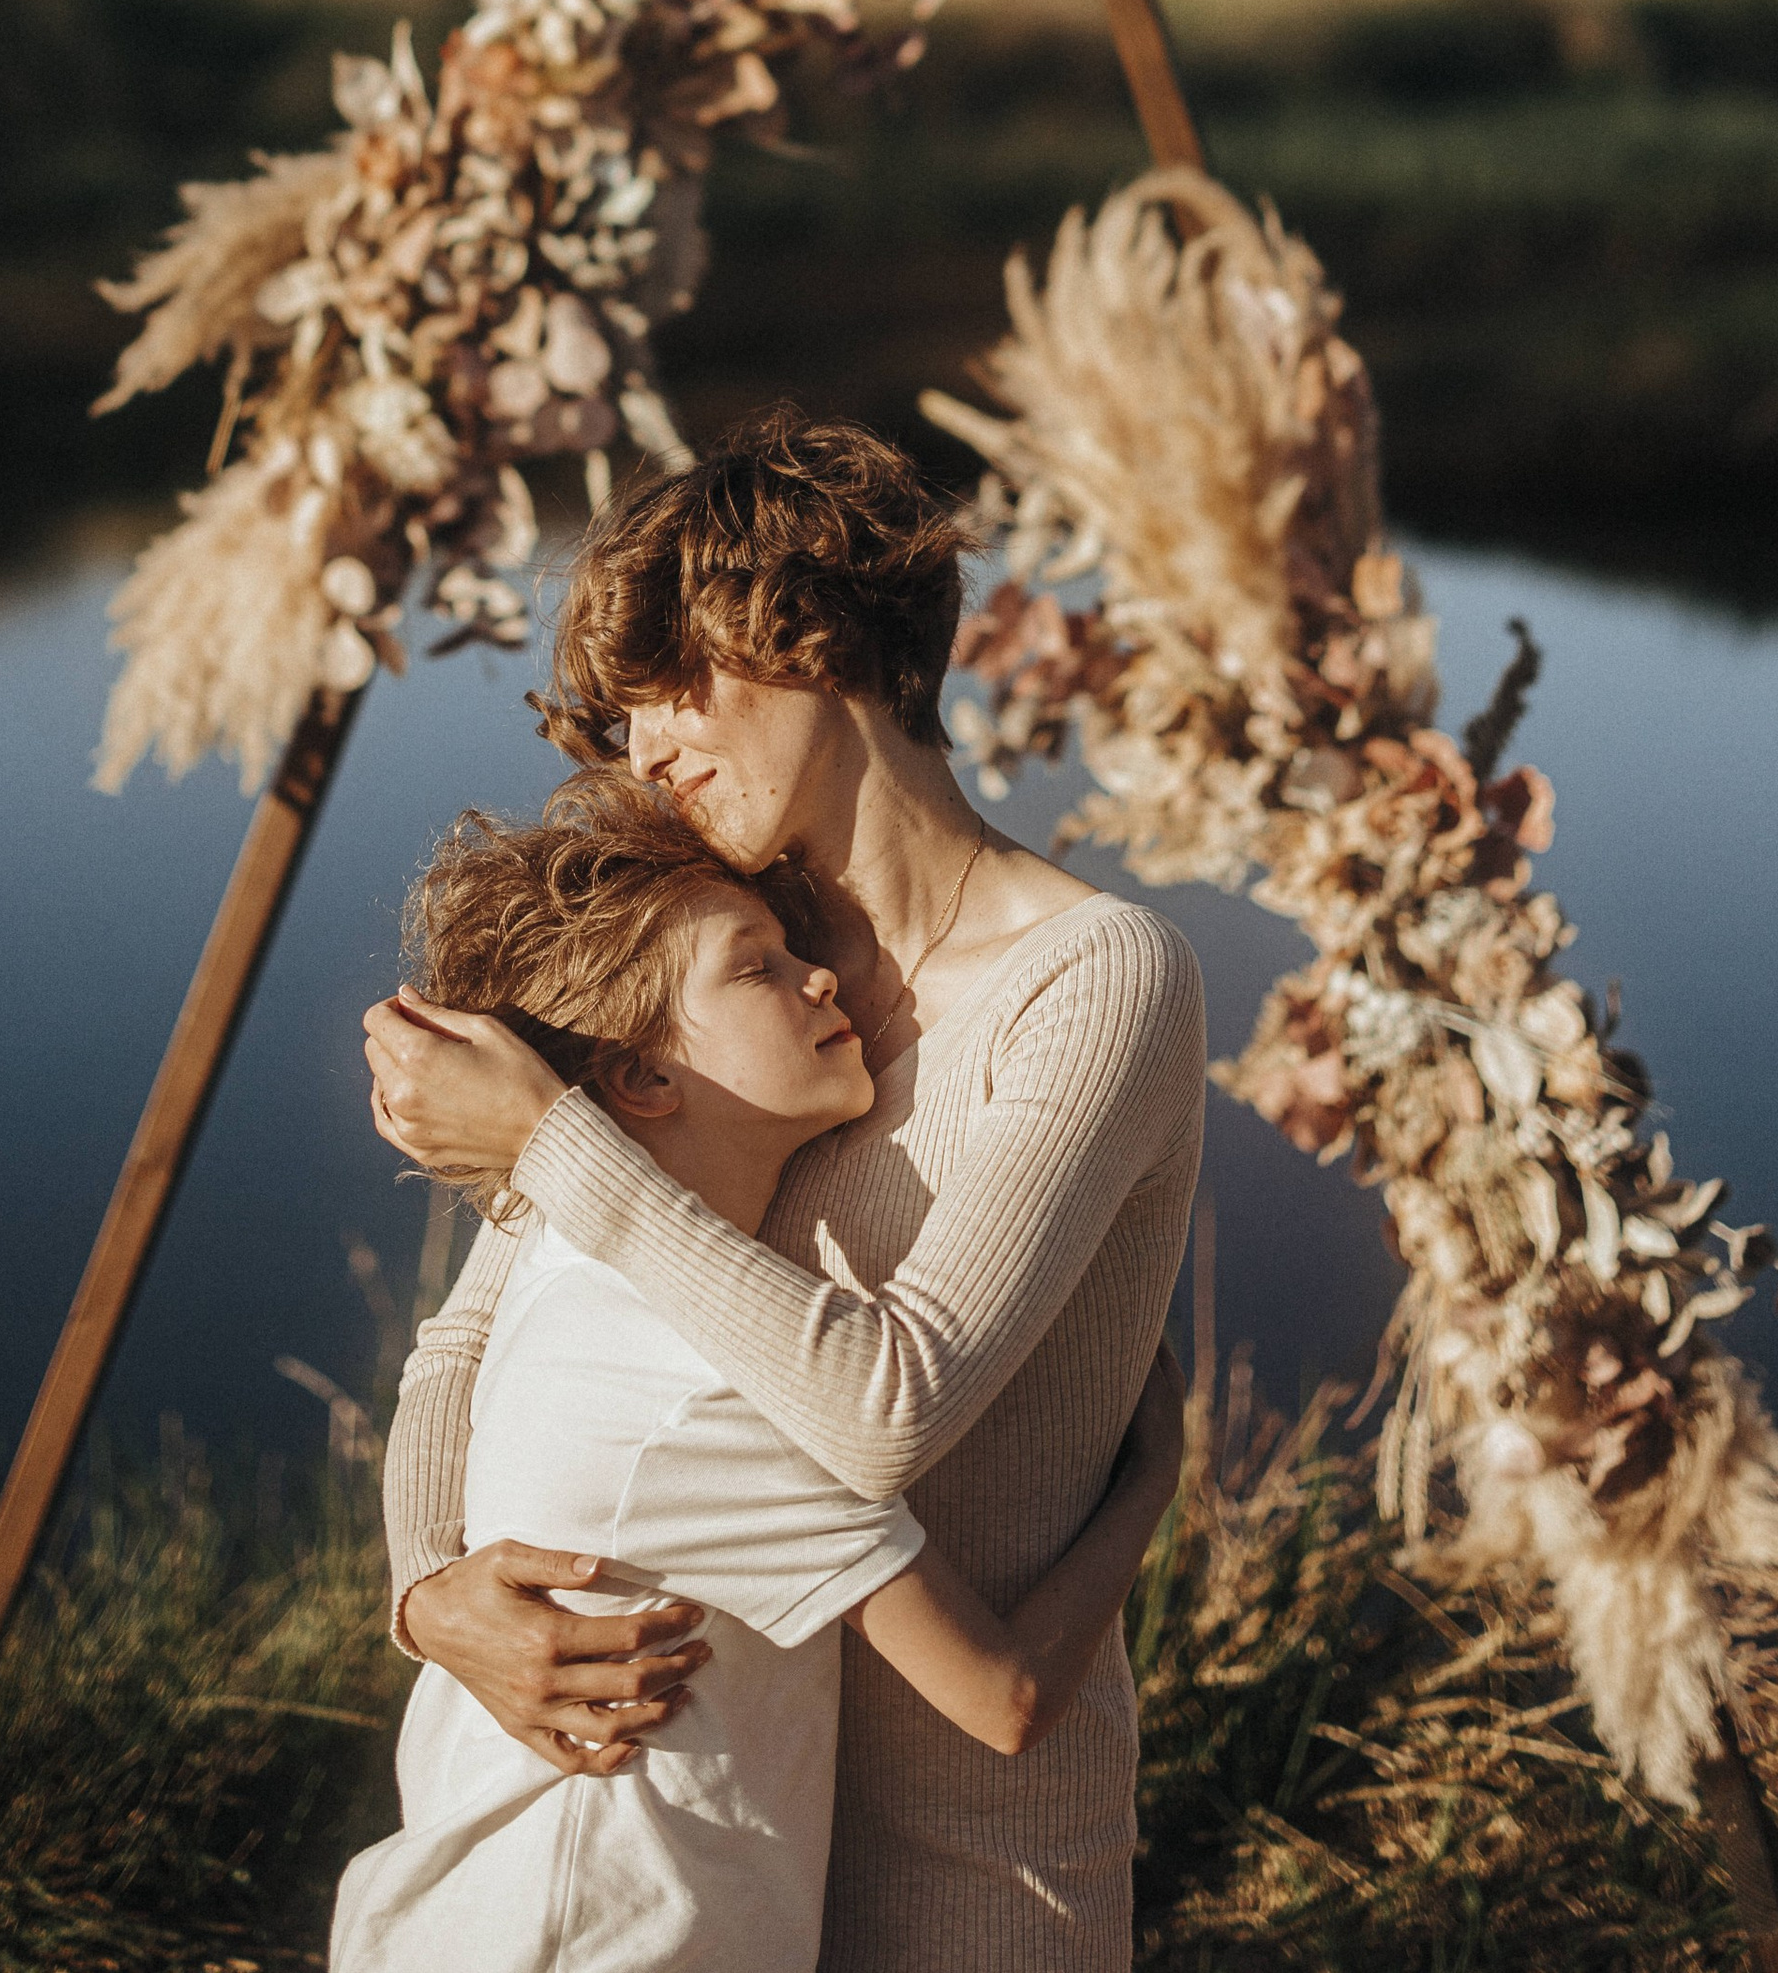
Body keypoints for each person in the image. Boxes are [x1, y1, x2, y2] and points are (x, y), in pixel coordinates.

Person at [365, 412, 1207, 1971]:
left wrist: (550, 1138)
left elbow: (892, 1408)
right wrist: (432, 1593)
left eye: (672, 682)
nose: (643, 749)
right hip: (693, 1855)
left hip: (975, 1861)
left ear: (812, 635)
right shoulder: (723, 978)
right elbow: (472, 1345)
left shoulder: (1097, 977)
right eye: (619, 717)